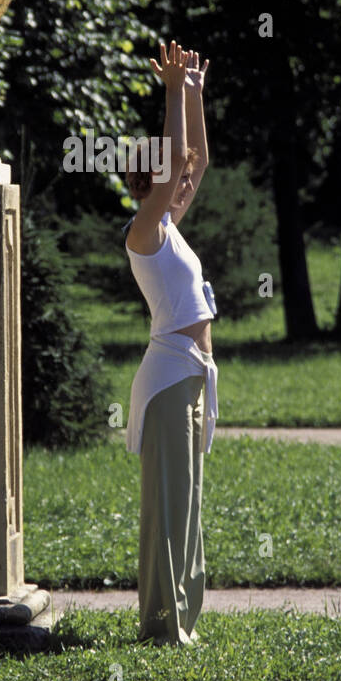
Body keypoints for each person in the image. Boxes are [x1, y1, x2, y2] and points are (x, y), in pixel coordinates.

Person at [123, 41, 217, 645]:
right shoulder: (142, 231)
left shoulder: (169, 230)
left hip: (192, 375)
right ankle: (161, 626)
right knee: (167, 508)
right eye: (171, 176)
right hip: (166, 381)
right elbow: (180, 155)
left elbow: (197, 157)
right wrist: (169, 91)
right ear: (150, 179)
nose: (183, 180)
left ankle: (184, 617)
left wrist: (193, 93)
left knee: (189, 506)